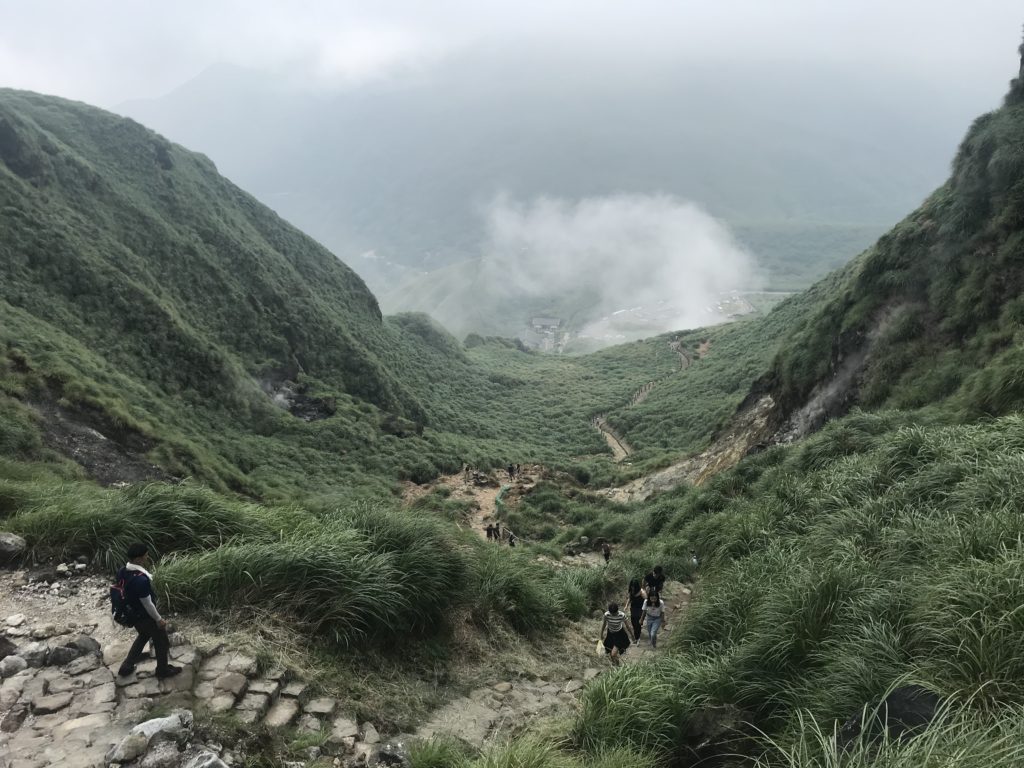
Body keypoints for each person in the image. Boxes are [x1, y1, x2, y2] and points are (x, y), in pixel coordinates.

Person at [116, 543, 181, 679]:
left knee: (143, 636)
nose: (147, 557)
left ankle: (127, 666)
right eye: (146, 555)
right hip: (145, 616)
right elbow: (148, 604)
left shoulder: (122, 571)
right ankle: (162, 670)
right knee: (161, 641)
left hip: (132, 614)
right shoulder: (141, 580)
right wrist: (159, 619)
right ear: (138, 559)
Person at [627, 578, 646, 642]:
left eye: (634, 586)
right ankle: (637, 635)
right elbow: (629, 598)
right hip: (633, 608)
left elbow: (646, 600)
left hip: (640, 609)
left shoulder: (641, 592)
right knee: (633, 622)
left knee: (637, 623)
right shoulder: (631, 591)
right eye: (632, 586)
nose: (632, 588)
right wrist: (626, 605)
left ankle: (637, 637)